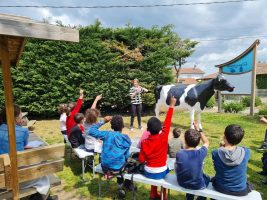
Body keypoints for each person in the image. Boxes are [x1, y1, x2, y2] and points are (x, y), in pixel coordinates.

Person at [0, 105, 54, 200]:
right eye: (21, 115)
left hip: (1, 180)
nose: (22, 117)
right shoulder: (23, 131)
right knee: (43, 174)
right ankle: (41, 197)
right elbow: (24, 145)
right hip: (16, 179)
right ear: (16, 118)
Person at [139, 96, 176, 200]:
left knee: (154, 170)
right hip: (161, 171)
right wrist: (171, 105)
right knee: (166, 171)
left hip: (148, 172)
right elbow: (168, 122)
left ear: (147, 129)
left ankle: (153, 194)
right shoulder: (163, 137)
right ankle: (163, 196)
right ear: (160, 128)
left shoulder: (144, 142)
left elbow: (141, 160)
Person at [88, 115, 133, 198]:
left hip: (105, 167)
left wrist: (103, 121)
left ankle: (121, 184)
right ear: (122, 126)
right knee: (130, 165)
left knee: (118, 162)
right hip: (117, 168)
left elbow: (91, 130)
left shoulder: (106, 134)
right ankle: (126, 185)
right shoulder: (126, 138)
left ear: (112, 126)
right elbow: (126, 156)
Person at [212, 124, 251, 196]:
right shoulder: (246, 152)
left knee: (213, 179)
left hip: (221, 187)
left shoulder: (216, 153)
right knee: (249, 184)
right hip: (240, 190)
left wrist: (221, 147)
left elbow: (217, 168)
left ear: (224, 136)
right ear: (240, 139)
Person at [175, 123, 210, 200]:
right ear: (198, 142)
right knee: (207, 178)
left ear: (185, 140)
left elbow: (177, 168)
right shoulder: (200, 153)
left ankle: (189, 198)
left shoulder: (179, 153)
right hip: (198, 185)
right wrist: (199, 130)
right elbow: (207, 142)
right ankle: (201, 198)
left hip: (182, 183)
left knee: (190, 175)